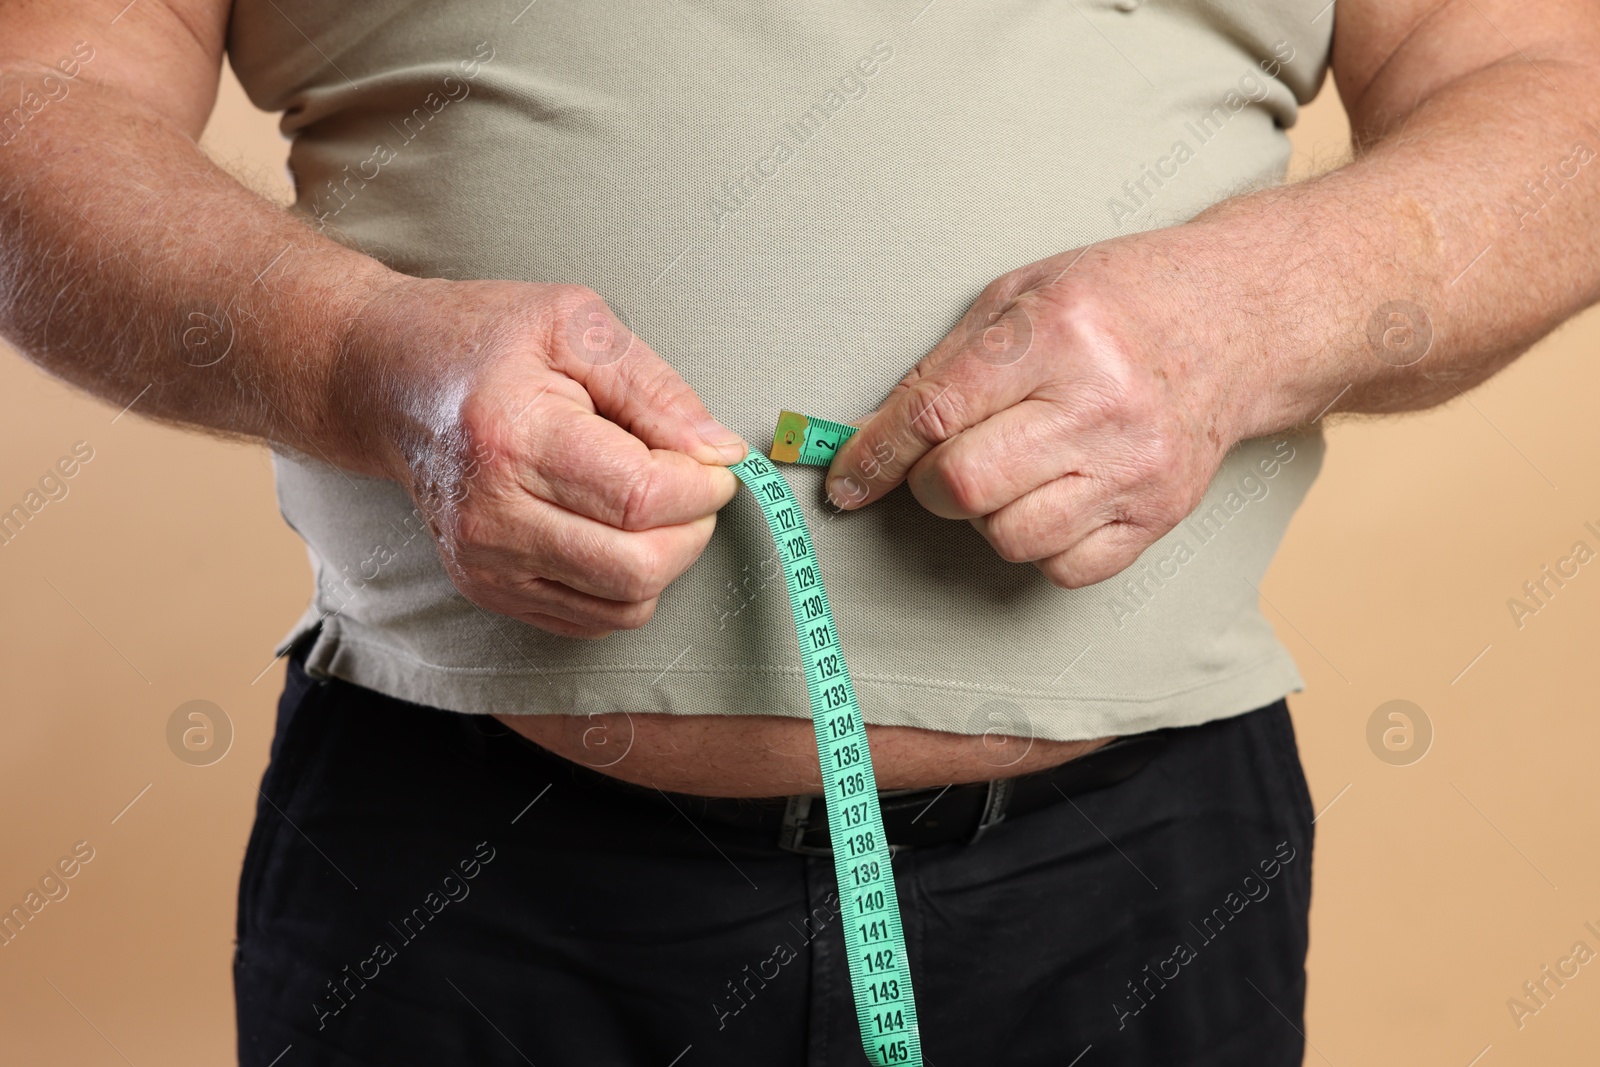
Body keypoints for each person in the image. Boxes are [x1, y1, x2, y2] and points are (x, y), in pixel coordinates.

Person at [3, 0, 1597, 1062]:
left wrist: (1259, 312)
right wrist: (358, 360)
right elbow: (36, 94)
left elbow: (1555, 94)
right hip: (458, 863)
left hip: (1127, 877)